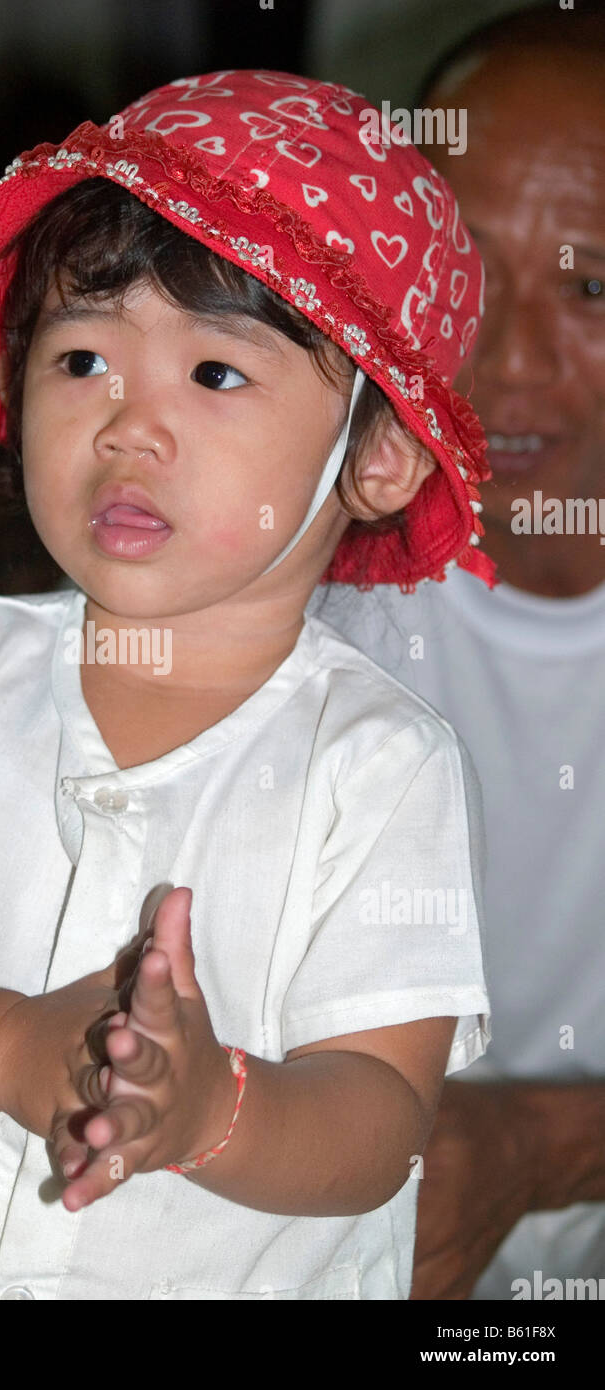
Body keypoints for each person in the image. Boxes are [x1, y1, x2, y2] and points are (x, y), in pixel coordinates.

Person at [0, 69, 493, 1300]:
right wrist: (5, 1049)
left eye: (213, 374)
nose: (126, 425)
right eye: (82, 356)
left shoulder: (374, 761)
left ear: (381, 453)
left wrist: (210, 1108)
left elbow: (378, 1118)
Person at [312, 6, 605, 1299]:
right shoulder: (286, 581)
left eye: (592, 284)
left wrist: (535, 1144)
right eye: (469, 275)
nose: (506, 357)